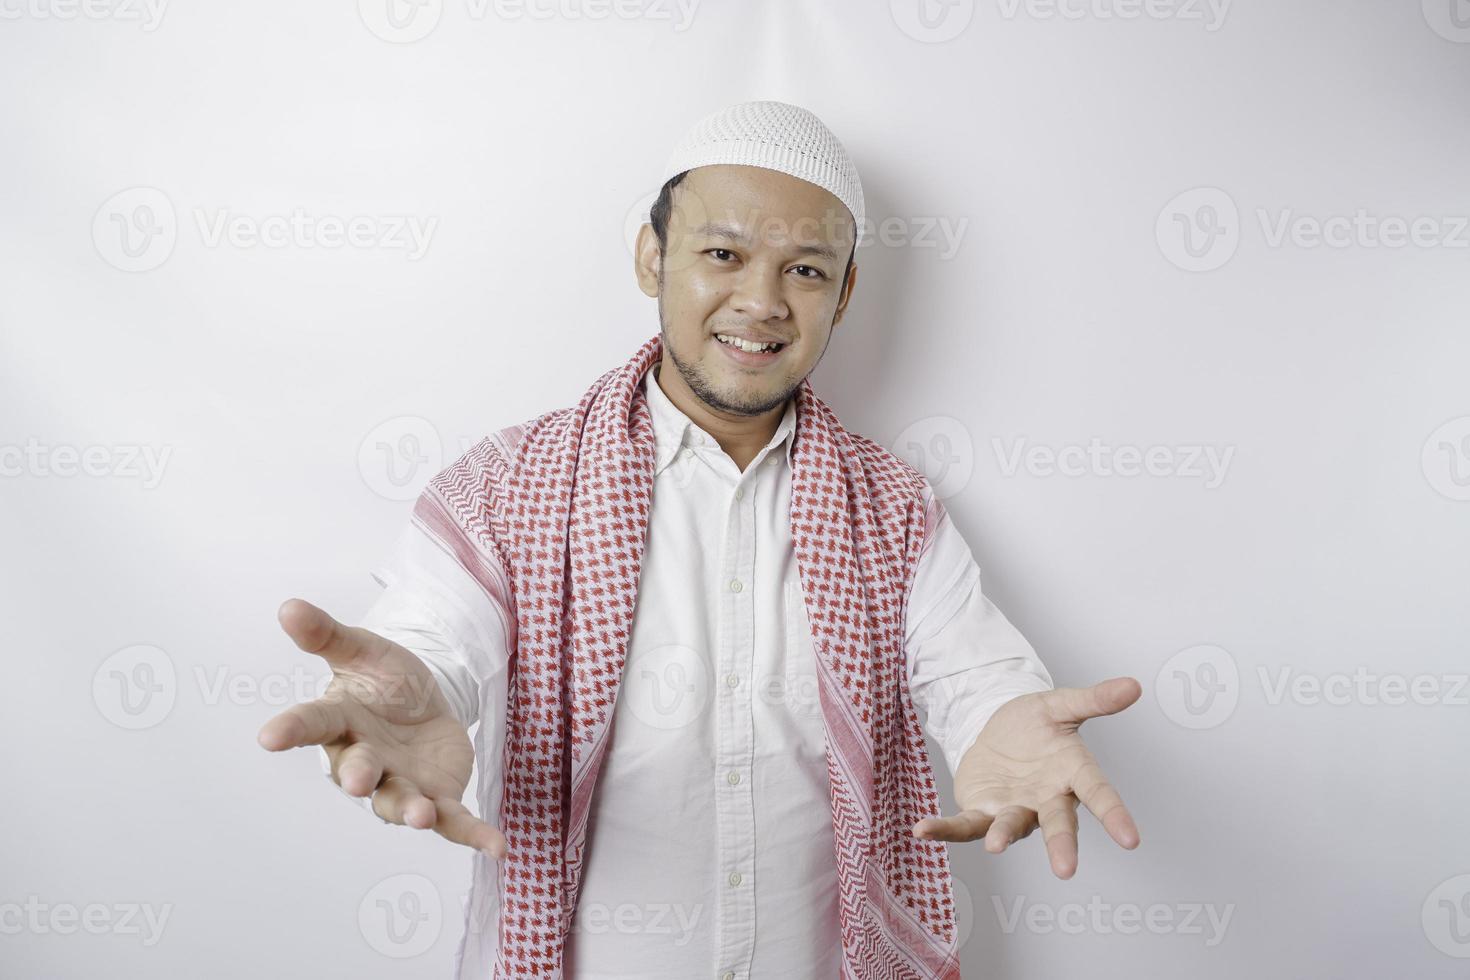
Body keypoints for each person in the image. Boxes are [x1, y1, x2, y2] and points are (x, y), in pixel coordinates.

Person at [257, 99, 1141, 980]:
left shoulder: (892, 509)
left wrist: (1003, 715)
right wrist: (409, 692)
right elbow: (434, 644)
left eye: (804, 269)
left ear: (845, 293)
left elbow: (971, 670)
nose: (761, 303)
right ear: (653, 257)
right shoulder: (505, 488)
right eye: (723, 254)